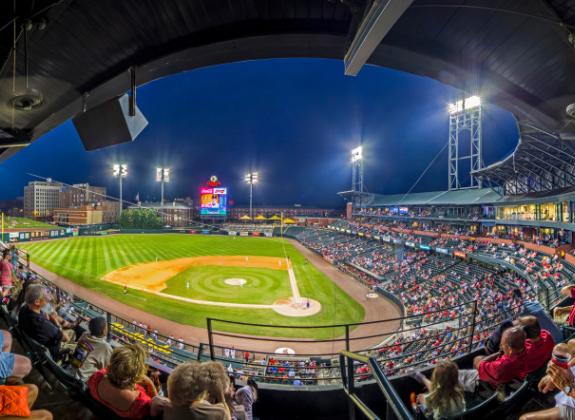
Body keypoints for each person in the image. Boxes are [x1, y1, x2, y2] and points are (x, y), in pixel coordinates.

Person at [88, 344, 157, 419]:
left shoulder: (96, 378)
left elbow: (107, 371)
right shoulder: (142, 403)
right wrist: (151, 384)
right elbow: (155, 406)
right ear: (138, 374)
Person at [152, 361, 231, 420]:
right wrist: (221, 397)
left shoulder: (159, 403)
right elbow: (225, 414)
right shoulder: (219, 412)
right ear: (201, 392)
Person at [459, 326, 527, 391]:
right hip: (512, 375)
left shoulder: (501, 366)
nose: (501, 345)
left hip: (498, 382)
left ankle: (480, 382)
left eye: (502, 344)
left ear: (510, 349)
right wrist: (501, 352)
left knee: (477, 359)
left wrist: (499, 352)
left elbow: (479, 364)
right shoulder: (527, 348)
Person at [18, 285, 69, 358]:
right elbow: (65, 338)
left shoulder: (23, 308)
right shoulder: (42, 323)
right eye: (45, 295)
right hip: (51, 353)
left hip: (32, 343)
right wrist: (57, 323)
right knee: (71, 333)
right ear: (37, 302)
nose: (48, 297)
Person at [70, 316, 113, 381]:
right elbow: (107, 369)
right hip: (81, 381)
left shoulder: (84, 334)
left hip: (70, 370)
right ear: (104, 331)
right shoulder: (105, 347)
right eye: (106, 327)